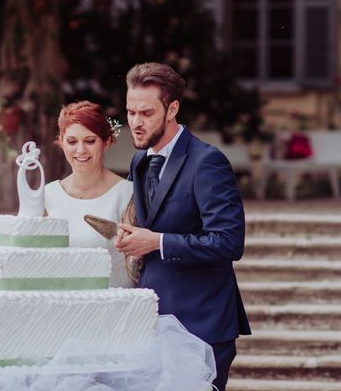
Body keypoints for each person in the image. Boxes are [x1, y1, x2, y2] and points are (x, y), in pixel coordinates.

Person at [115, 62, 251, 391]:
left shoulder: (208, 162)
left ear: (172, 108)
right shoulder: (139, 160)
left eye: (146, 113)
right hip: (153, 323)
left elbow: (228, 242)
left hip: (201, 324)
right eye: (131, 112)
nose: (135, 122)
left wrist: (157, 242)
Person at [45, 100, 134, 288]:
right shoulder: (48, 196)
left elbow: (137, 264)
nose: (80, 150)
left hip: (113, 305)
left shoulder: (127, 194)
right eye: (72, 141)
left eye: (90, 141)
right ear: (61, 142)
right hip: (61, 305)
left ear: (106, 142)